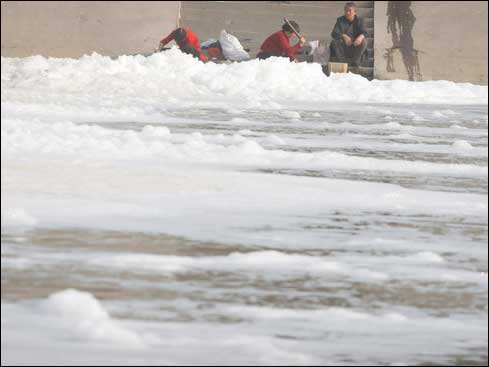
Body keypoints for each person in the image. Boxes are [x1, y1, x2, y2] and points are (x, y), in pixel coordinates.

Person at [330, 2, 368, 67]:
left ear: (355, 12)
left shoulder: (360, 20)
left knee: (364, 41)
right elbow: (334, 33)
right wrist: (343, 36)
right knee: (334, 42)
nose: (347, 13)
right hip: (344, 48)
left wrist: (360, 37)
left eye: (350, 11)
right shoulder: (340, 20)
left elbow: (364, 32)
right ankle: (343, 62)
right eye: (346, 10)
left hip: (355, 48)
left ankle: (355, 61)